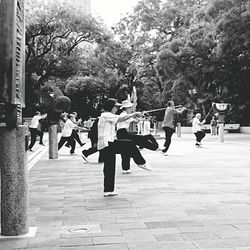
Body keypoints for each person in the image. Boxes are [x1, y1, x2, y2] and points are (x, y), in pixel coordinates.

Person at [98, 98, 151, 197]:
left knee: (109, 167)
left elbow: (120, 118)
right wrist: (133, 114)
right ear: (111, 107)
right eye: (116, 107)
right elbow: (120, 119)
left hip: (106, 144)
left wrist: (133, 115)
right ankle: (141, 162)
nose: (117, 108)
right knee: (129, 144)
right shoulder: (106, 115)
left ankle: (108, 190)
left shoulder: (108, 115)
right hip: (107, 144)